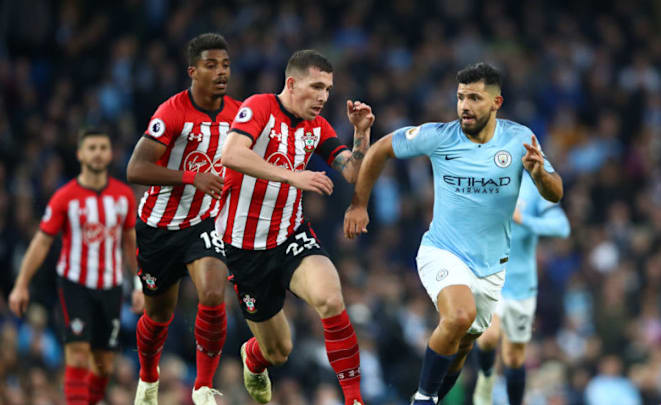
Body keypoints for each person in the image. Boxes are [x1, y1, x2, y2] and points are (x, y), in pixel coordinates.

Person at [344, 62, 564, 404]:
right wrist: (359, 204)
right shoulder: (439, 136)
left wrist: (539, 175)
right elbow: (381, 149)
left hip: (491, 268)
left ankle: (434, 396)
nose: (464, 105)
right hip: (442, 251)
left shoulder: (520, 139)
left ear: (496, 103)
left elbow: (555, 192)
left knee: (461, 346)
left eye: (474, 98)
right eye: (461, 97)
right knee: (459, 316)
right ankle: (422, 398)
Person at [216, 49, 374, 405]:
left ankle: (353, 399)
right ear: (292, 83)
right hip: (245, 250)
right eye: (317, 86)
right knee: (278, 351)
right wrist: (293, 176)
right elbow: (231, 154)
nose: (323, 96)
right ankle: (253, 357)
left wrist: (361, 135)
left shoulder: (317, 127)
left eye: (329, 89)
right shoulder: (259, 107)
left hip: (290, 236)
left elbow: (353, 171)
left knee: (330, 299)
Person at [126, 33, 241, 405]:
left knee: (212, 292)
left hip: (204, 224)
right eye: (211, 65)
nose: (220, 72)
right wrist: (193, 178)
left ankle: (203, 386)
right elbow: (135, 168)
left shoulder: (239, 115)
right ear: (193, 71)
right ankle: (147, 377)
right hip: (159, 226)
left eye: (224, 65)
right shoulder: (172, 112)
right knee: (158, 315)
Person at [9, 128, 143, 405]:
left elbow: (130, 243)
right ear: (80, 154)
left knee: (105, 362)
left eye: (103, 148)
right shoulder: (65, 196)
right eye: (91, 148)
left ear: (110, 154)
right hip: (75, 285)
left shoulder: (123, 197)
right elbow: (42, 242)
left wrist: (139, 285)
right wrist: (21, 283)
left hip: (111, 286)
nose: (97, 153)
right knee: (79, 353)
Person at [472, 170, 570, 405]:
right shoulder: (480, 179)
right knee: (489, 336)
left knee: (515, 358)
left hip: (520, 287)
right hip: (489, 277)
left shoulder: (535, 188)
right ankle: (486, 379)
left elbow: (562, 227)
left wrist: (523, 219)